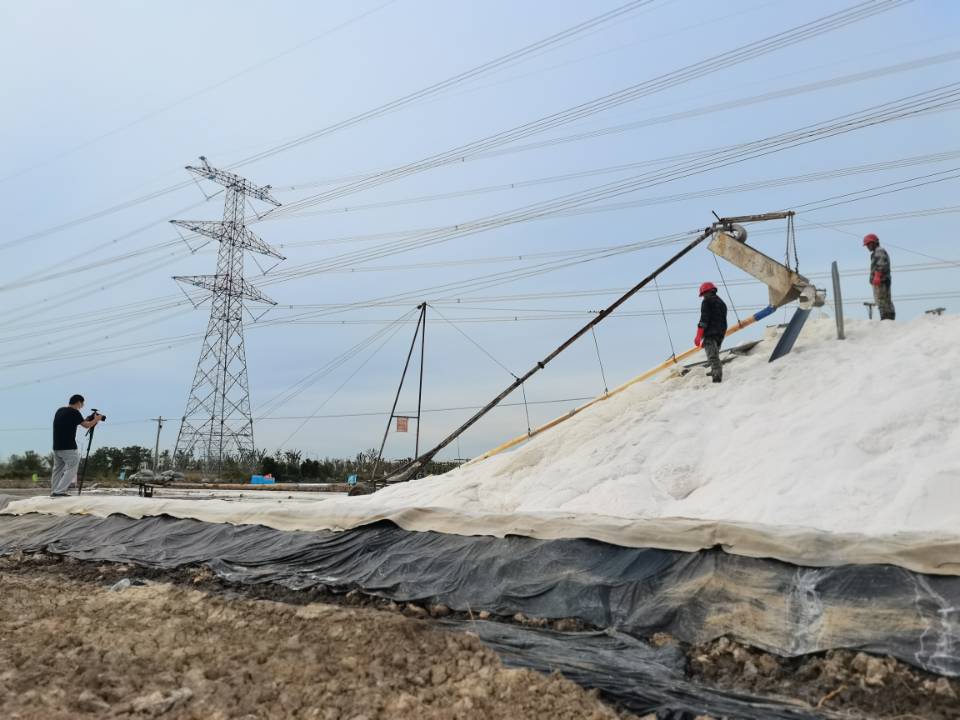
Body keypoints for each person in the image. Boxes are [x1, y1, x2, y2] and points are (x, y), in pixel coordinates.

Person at [50, 394, 101, 497]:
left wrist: (87, 419)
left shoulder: (60, 410)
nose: (82, 406)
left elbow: (73, 422)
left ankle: (54, 491)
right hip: (68, 446)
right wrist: (96, 419)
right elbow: (86, 425)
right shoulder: (74, 412)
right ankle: (60, 491)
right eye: (82, 403)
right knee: (72, 467)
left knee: (57, 469)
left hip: (57, 446)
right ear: (78, 402)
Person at [695, 282, 728, 383]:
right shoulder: (722, 303)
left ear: (707, 292)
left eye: (703, 294)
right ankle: (715, 370)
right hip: (721, 333)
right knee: (715, 354)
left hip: (710, 334)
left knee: (712, 357)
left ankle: (717, 377)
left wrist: (698, 335)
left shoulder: (706, 302)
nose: (703, 296)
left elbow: (704, 319)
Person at [863, 233, 895, 320]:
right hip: (881, 280)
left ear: (874, 242)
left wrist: (877, 275)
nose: (867, 247)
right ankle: (888, 318)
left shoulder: (879, 251)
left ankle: (886, 319)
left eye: (868, 244)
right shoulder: (876, 252)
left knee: (882, 300)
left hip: (881, 280)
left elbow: (882, 264)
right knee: (884, 300)